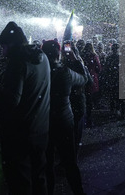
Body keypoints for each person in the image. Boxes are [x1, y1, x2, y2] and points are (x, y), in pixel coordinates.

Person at [0, 21, 50, 195]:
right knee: (39, 177)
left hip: (19, 134)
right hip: (41, 130)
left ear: (11, 44)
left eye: (3, 46)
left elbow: (11, 101)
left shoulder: (18, 61)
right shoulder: (43, 57)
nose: (2, 51)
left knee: (19, 181)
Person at [42, 40, 86, 195]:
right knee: (70, 163)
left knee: (47, 164)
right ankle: (78, 191)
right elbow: (84, 78)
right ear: (58, 53)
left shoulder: (40, 72)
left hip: (45, 123)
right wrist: (75, 60)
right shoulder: (65, 72)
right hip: (64, 122)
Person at [81, 42, 101, 128]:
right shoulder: (94, 56)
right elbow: (98, 68)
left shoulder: (82, 55)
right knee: (90, 98)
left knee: (85, 97)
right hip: (92, 77)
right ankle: (89, 118)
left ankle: (84, 116)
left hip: (83, 77)